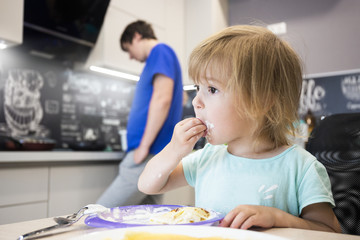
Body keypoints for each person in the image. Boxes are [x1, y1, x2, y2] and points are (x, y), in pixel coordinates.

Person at [138, 25, 342, 232]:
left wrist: (278, 217)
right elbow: (148, 185)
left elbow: (330, 232)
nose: (196, 102)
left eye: (212, 89)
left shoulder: (301, 167)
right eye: (197, 88)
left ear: (261, 101)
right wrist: (173, 150)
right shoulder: (206, 158)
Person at [97, 20, 183, 207]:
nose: (130, 57)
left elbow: (162, 99)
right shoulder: (160, 57)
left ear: (137, 36)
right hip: (153, 152)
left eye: (128, 49)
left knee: (100, 213)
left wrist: (143, 145)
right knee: (150, 218)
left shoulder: (160, 52)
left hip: (146, 153)